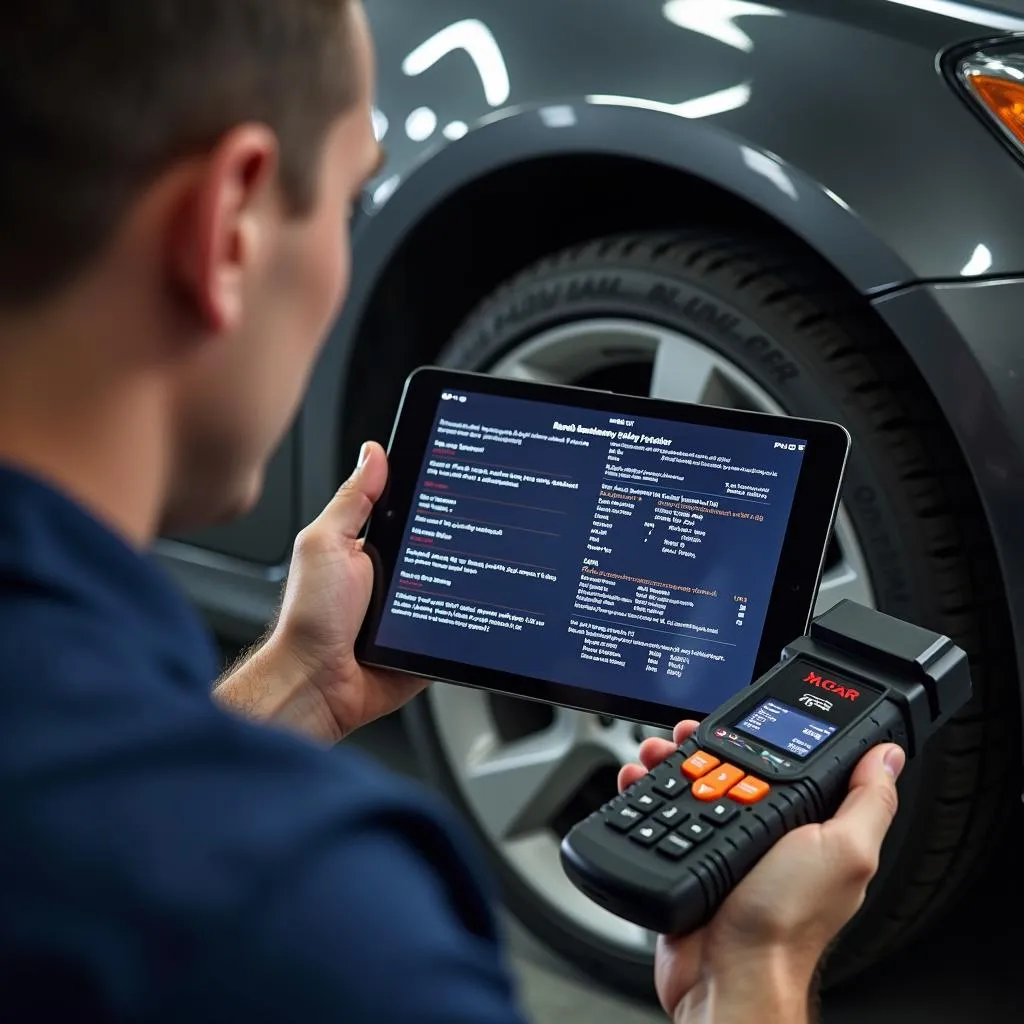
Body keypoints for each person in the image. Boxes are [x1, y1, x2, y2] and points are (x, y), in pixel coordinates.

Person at [0, 2, 906, 1021]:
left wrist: (305, 681)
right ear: (228, 229)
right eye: (347, 205)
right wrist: (750, 972)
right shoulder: (317, 923)